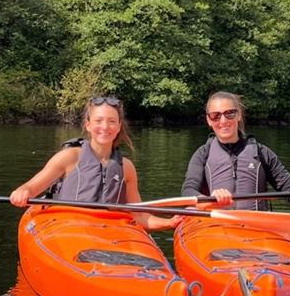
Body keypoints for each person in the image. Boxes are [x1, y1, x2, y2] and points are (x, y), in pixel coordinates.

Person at [10, 96, 180, 231]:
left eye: (112, 121)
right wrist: (22, 191)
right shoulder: (68, 158)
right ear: (88, 125)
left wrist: (170, 222)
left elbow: (139, 216)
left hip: (105, 232)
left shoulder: (126, 168)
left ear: (119, 126)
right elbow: (30, 188)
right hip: (67, 229)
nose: (105, 127)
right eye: (98, 121)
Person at [181, 91, 290, 210]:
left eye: (229, 113)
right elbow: (188, 192)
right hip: (216, 224)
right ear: (209, 120)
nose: (223, 121)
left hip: (256, 226)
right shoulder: (202, 154)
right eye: (216, 116)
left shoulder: (262, 153)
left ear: (239, 115)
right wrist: (210, 201)